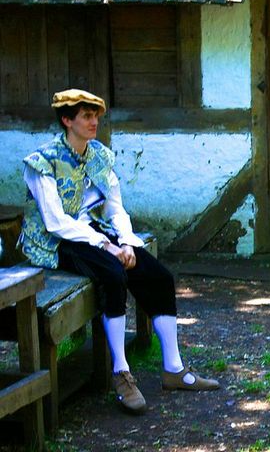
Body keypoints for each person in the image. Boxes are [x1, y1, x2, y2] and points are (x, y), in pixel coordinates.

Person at [19, 89, 220, 415]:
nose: (94, 121)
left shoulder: (99, 156)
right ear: (67, 120)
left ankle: (173, 368)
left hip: (95, 233)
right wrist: (106, 246)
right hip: (56, 242)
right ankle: (121, 373)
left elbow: (115, 208)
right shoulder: (42, 162)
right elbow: (56, 222)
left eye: (96, 115)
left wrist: (125, 241)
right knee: (113, 275)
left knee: (159, 276)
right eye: (86, 116)